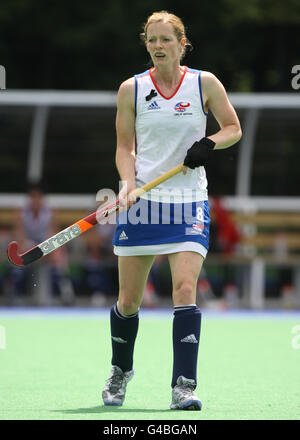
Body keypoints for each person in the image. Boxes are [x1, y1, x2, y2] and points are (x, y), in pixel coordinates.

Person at [102, 10, 242, 410]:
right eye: (151, 39)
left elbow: (233, 128)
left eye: (166, 39)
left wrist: (210, 143)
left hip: (188, 203)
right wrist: (127, 183)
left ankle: (184, 385)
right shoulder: (131, 89)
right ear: (145, 43)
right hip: (143, 206)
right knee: (129, 301)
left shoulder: (204, 84)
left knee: (184, 288)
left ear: (183, 44)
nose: (158, 46)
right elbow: (124, 147)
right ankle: (120, 370)